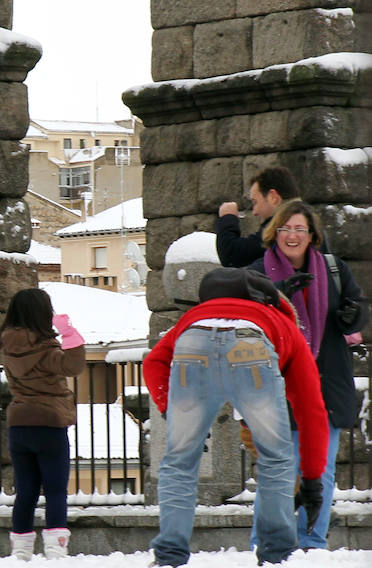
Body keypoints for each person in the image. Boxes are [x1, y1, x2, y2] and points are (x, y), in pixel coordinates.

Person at [145, 267, 329, 567]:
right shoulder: (281, 322)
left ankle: (169, 556)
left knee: (179, 462)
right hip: (253, 346)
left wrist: (171, 409)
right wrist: (312, 480)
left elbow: (154, 362)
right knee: (276, 457)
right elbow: (311, 411)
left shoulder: (194, 315)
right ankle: (277, 554)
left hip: (194, 342)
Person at [247, 199, 368, 549]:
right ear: (275, 232)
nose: (293, 235)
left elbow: (357, 308)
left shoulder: (333, 269)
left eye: (300, 228)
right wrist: (275, 300)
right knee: (278, 469)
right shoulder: (258, 272)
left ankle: (311, 540)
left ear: (312, 234)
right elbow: (248, 322)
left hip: (326, 383)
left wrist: (352, 316)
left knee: (321, 468)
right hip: (278, 385)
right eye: (286, 228)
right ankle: (268, 539)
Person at [0, 288, 86, 561]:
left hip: (19, 424)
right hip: (49, 423)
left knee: (26, 491)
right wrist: (69, 334)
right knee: (56, 488)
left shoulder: (7, 346)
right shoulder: (46, 349)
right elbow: (73, 366)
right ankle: (56, 549)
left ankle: (21, 550)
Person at [216, 166, 300, 267]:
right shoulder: (309, 223)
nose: (254, 212)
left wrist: (227, 217)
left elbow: (231, 256)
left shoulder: (282, 228)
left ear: (273, 197)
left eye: (255, 202)